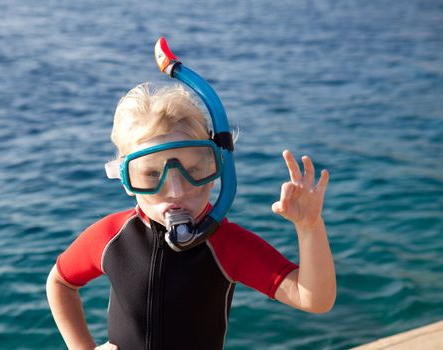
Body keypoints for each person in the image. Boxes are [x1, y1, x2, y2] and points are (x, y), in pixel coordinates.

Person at [46, 83, 336, 350]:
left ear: (217, 170)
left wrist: (310, 228)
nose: (176, 190)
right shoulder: (111, 236)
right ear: (125, 179)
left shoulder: (226, 244)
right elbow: (60, 282)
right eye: (151, 175)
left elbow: (314, 298)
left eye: (194, 170)